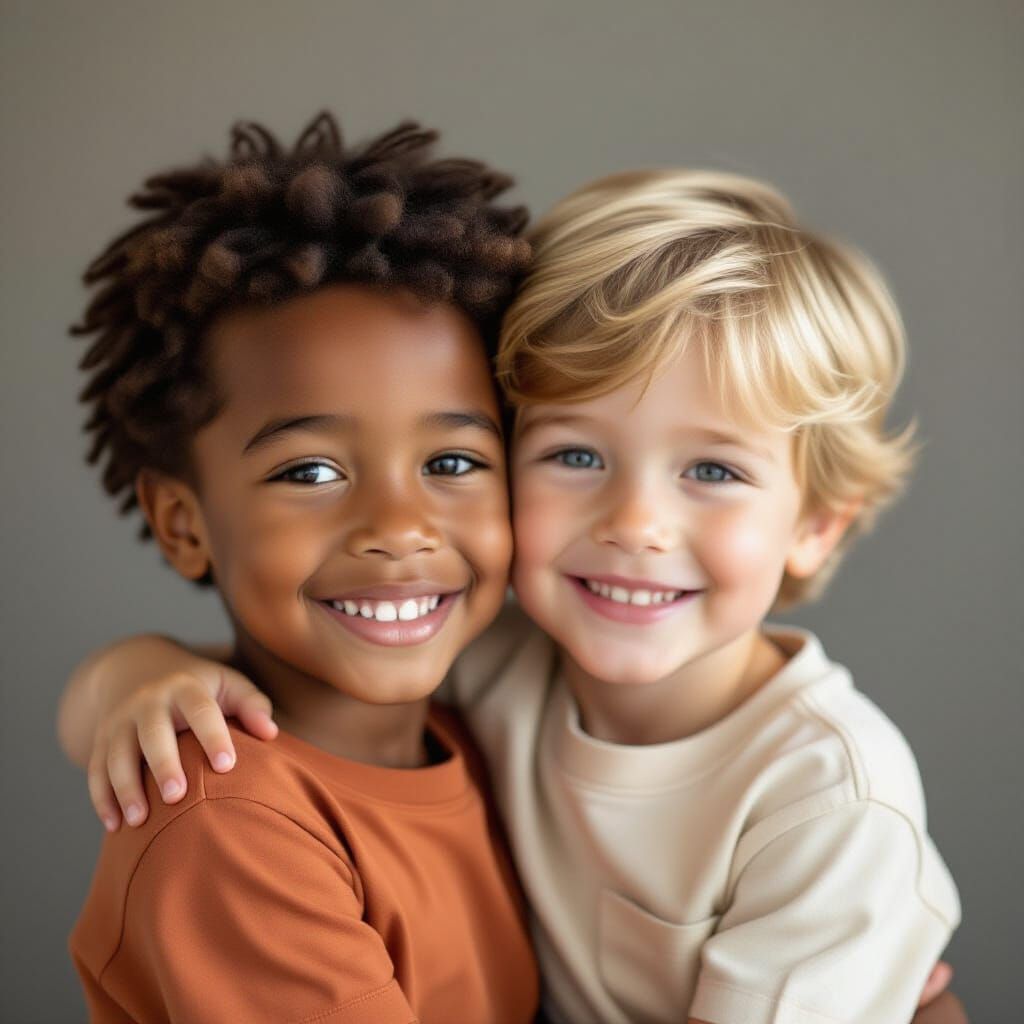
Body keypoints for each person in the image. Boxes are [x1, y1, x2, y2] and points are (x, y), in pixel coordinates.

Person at [61, 169, 963, 1023]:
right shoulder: (499, 666)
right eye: (576, 455)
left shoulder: (831, 808)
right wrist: (131, 679)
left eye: (714, 469)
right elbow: (249, 706)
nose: (636, 523)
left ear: (816, 524)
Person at [63, 111, 539, 1023]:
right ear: (183, 520)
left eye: (452, 463)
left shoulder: (489, 732)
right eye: (310, 472)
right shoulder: (230, 823)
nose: (399, 528)